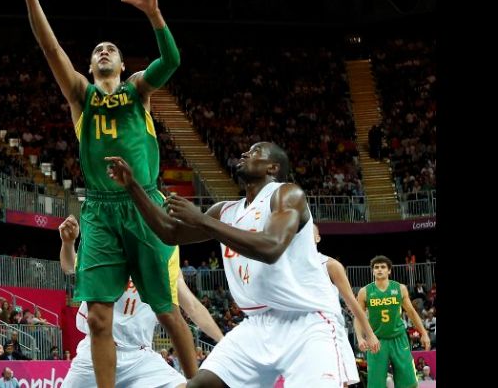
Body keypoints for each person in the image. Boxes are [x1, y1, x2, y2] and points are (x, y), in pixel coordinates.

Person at [12, 0, 195, 388]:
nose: (104, 51)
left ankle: (197, 382)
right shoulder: (80, 95)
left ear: (122, 64)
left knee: (167, 311)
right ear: (91, 66)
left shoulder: (137, 90)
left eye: (111, 49)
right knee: (97, 316)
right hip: (100, 210)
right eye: (97, 50)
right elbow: (49, 45)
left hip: (146, 204)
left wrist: (154, 15)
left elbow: (171, 62)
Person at [106, 142, 347, 387]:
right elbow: (170, 233)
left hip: (307, 320)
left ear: (272, 167)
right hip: (257, 323)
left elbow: (270, 247)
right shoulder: (226, 210)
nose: (244, 154)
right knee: (198, 385)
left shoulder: (287, 193)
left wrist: (201, 220)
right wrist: (132, 187)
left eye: (255, 152)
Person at [57, 214, 223, 388]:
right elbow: (69, 267)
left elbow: (193, 307)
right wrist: (68, 244)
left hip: (140, 357)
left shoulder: (166, 262)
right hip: (95, 353)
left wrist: (223, 341)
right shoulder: (108, 246)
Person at [314, 225, 380, 387]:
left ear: (318, 238)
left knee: (339, 382)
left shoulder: (329, 265)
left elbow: (352, 302)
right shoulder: (288, 266)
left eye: (308, 232)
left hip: (328, 332)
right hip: (299, 333)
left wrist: (369, 334)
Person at [355, 256, 431, 388]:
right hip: (376, 340)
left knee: (408, 382)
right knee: (375, 384)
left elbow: (412, 312)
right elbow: (358, 316)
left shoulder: (400, 288)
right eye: (376, 267)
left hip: (398, 338)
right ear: (372, 271)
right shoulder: (364, 292)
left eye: (383, 267)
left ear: (389, 271)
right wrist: (360, 338)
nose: (379, 270)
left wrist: (423, 333)